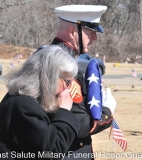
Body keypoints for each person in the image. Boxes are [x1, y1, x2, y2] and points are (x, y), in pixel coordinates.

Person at [0, 45, 81, 160]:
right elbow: (52, 151)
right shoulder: (23, 105)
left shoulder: (26, 99)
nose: (68, 89)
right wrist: (64, 111)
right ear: (50, 77)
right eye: (67, 82)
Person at [51, 5, 115, 159]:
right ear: (72, 31)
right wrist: (107, 111)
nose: (95, 38)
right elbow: (79, 124)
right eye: (90, 32)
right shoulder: (64, 68)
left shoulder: (47, 56)